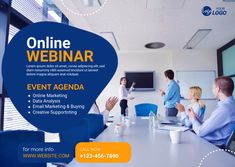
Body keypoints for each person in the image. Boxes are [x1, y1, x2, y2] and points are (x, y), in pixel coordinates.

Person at [187, 76, 235, 147]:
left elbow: (200, 132)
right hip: (213, 142)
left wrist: (193, 118)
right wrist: (195, 117)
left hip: (211, 145)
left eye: (213, 88)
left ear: (218, 89)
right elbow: (209, 125)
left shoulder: (224, 109)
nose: (212, 90)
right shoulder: (231, 105)